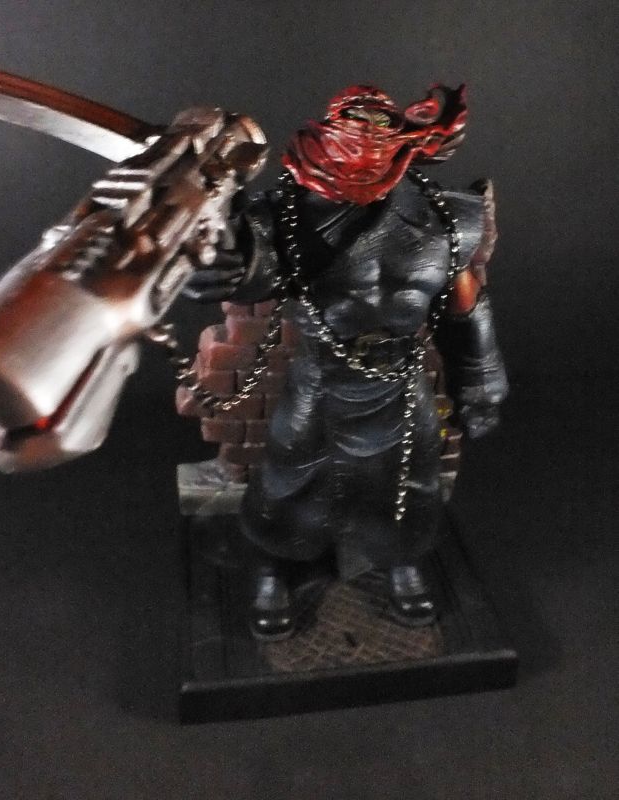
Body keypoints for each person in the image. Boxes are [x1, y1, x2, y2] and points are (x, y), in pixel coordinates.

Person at [184, 84, 508, 640]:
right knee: (288, 481)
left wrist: (480, 384)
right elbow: (248, 265)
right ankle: (273, 563)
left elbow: (466, 306)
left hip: (400, 381)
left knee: (409, 483)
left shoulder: (448, 218)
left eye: (379, 129)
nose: (366, 142)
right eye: (353, 128)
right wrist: (215, 257)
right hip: (319, 380)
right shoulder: (287, 214)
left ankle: (401, 559)